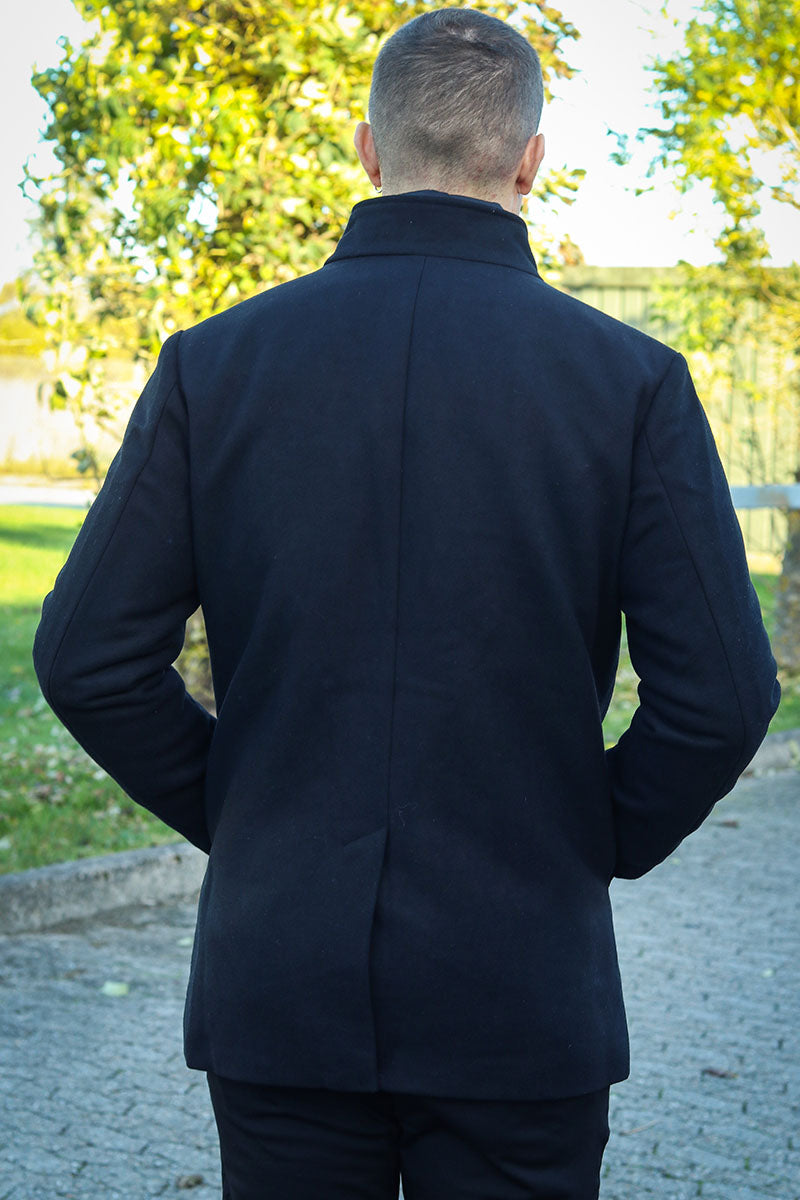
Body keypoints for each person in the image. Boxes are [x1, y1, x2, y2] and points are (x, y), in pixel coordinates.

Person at [33, 7, 780, 1199]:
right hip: (520, 981)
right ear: (530, 160)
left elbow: (86, 657)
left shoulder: (211, 365)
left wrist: (248, 811)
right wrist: (587, 838)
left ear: (369, 150)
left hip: (279, 973)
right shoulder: (628, 382)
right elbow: (724, 696)